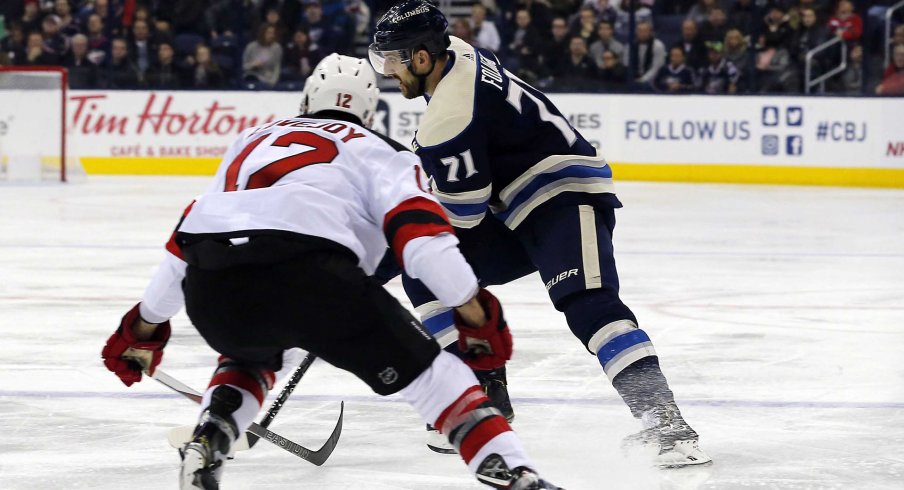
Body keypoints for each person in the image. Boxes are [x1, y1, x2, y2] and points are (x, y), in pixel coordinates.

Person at [100, 53, 561, 490]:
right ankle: (516, 475)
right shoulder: (380, 149)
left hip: (212, 286)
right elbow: (421, 241)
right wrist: (472, 308)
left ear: (305, 100)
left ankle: (209, 443)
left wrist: (145, 324)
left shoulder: (250, 141)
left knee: (249, 355)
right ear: (371, 110)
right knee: (439, 379)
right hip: (314, 275)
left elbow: (192, 236)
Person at [368, 0, 711, 468]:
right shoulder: (460, 53)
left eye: (393, 59)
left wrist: (379, 262)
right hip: (513, 205)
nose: (387, 71)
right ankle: (482, 397)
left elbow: (461, 217)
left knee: (590, 306)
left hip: (565, 195)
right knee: (422, 271)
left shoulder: (447, 117)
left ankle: (666, 422)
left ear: (423, 57)